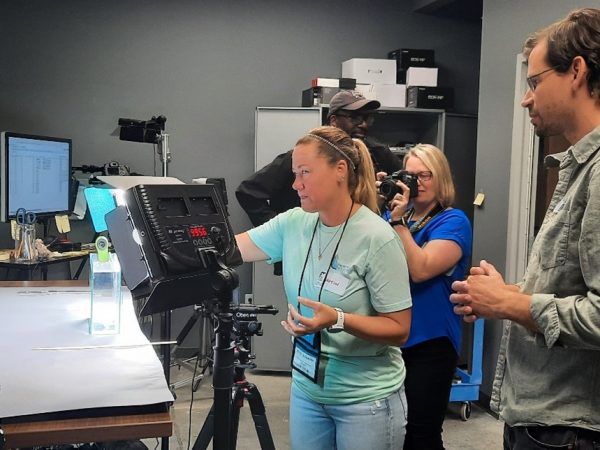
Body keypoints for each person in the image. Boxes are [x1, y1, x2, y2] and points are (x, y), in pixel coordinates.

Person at [451, 8, 600, 449]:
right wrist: (508, 296)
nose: (525, 98)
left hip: (571, 429)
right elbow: (567, 285)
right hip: (546, 422)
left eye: (534, 82)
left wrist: (511, 305)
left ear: (576, 71)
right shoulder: (576, 167)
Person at [235, 126, 412, 450]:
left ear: (340, 170)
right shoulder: (294, 223)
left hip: (366, 401)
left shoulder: (377, 238)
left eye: (304, 173)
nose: (295, 184)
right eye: (294, 173)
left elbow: (399, 329)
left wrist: (338, 319)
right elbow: (233, 249)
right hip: (307, 390)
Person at [383, 144, 472, 450]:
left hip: (430, 342)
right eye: (410, 175)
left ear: (440, 178)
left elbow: (421, 269)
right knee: (389, 431)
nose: (417, 183)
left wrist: (397, 223)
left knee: (421, 434)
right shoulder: (393, 214)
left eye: (425, 175)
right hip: (390, 338)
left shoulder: (452, 221)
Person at [235, 90, 402, 228]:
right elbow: (248, 192)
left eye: (367, 118)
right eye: (355, 118)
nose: (363, 124)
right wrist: (283, 233)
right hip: (304, 250)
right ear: (334, 121)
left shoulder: (378, 154)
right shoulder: (301, 158)